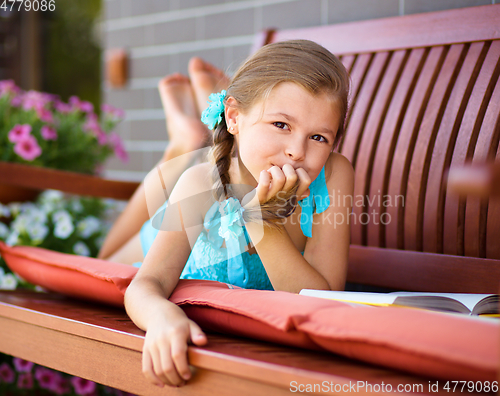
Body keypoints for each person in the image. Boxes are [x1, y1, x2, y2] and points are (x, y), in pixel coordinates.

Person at [124, 39, 354, 388]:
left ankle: (190, 133)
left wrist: (263, 221)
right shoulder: (201, 184)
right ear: (234, 116)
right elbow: (144, 284)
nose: (296, 151)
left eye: (319, 137)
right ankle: (184, 140)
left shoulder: (333, 173)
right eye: (281, 125)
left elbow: (319, 301)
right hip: (154, 240)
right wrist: (161, 316)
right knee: (103, 255)